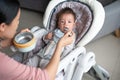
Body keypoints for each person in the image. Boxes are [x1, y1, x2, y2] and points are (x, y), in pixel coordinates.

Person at [0, 0, 75, 80]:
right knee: (30, 62)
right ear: (3, 26)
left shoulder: (70, 37)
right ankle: (25, 67)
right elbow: (45, 77)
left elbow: (68, 51)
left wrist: (6, 42)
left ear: (74, 24)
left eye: (69, 22)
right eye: (17, 19)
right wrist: (46, 37)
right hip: (41, 54)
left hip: (51, 59)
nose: (65, 24)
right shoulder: (54, 32)